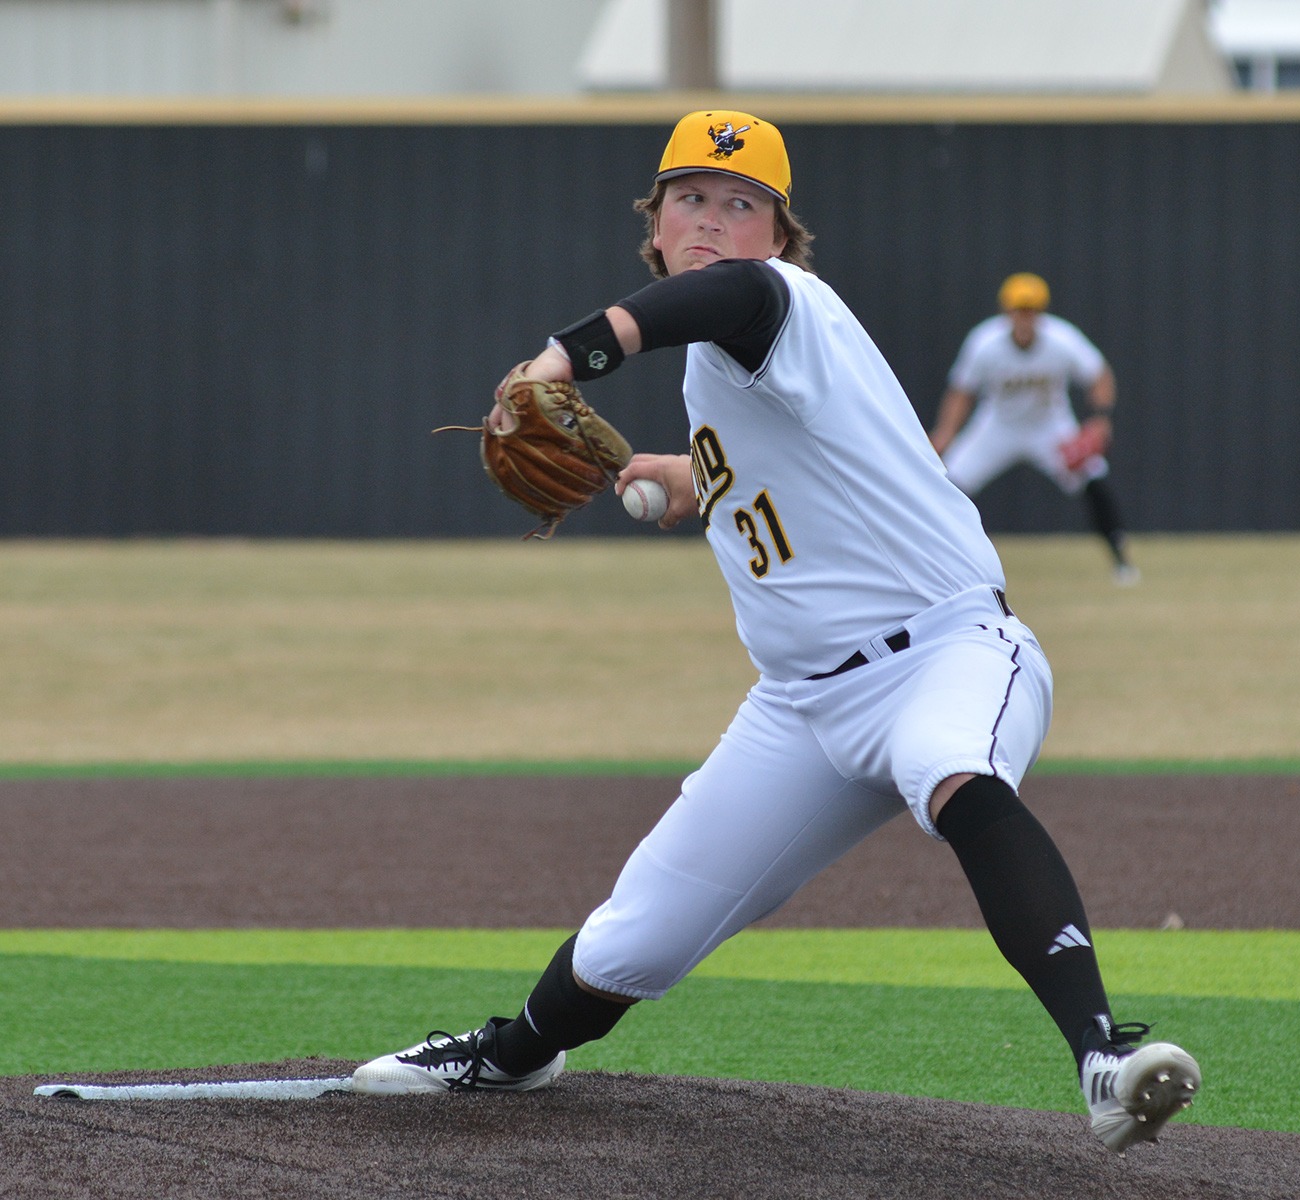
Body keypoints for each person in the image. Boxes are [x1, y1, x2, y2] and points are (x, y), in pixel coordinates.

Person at [352, 110, 1199, 1153]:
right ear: (655, 225)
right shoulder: (723, 372)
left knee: (952, 773)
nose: (712, 220)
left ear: (779, 234)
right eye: (690, 199)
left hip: (948, 650)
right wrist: (679, 475)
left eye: (740, 204)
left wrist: (560, 358)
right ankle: (515, 1053)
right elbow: (768, 473)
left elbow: (722, 298)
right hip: (801, 705)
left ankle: (1105, 1059)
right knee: (640, 933)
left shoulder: (780, 301)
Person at [928, 273, 1142, 585]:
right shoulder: (984, 342)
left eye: (1032, 310)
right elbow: (962, 391)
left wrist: (1099, 418)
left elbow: (1100, 375)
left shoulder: (1062, 339)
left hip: (1049, 428)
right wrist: (945, 433)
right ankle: (933, 564)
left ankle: (1122, 562)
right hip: (997, 427)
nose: (1025, 317)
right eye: (1019, 309)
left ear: (1042, 312)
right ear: (1007, 312)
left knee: (1093, 478)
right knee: (948, 486)